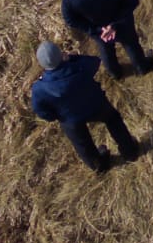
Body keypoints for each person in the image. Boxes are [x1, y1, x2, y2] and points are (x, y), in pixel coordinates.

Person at [30, 41, 141, 173]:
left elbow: (41, 110)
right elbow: (94, 62)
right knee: (113, 120)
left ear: (42, 64)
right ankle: (129, 151)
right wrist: (73, 58)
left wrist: (57, 116)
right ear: (61, 55)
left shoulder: (39, 88)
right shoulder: (79, 67)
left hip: (69, 119)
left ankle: (99, 166)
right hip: (95, 104)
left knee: (82, 143)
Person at [61, 0, 153, 78]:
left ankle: (115, 73)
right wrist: (114, 24)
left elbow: (70, 20)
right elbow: (133, 1)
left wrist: (95, 30)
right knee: (131, 44)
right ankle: (142, 67)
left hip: (98, 31)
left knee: (105, 49)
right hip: (122, 24)